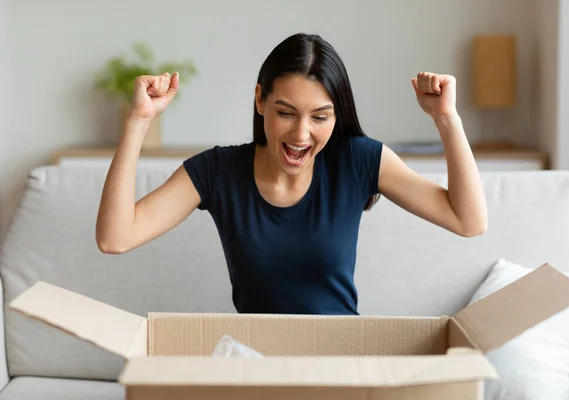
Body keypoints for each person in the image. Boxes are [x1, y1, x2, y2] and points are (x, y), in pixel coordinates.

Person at [96, 33, 487, 316]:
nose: (301, 134)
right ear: (260, 100)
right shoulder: (218, 171)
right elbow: (115, 238)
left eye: (320, 117)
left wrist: (447, 119)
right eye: (286, 112)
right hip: (258, 369)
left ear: (337, 115)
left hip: (339, 369)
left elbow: (468, 221)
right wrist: (138, 121)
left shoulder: (359, 159)